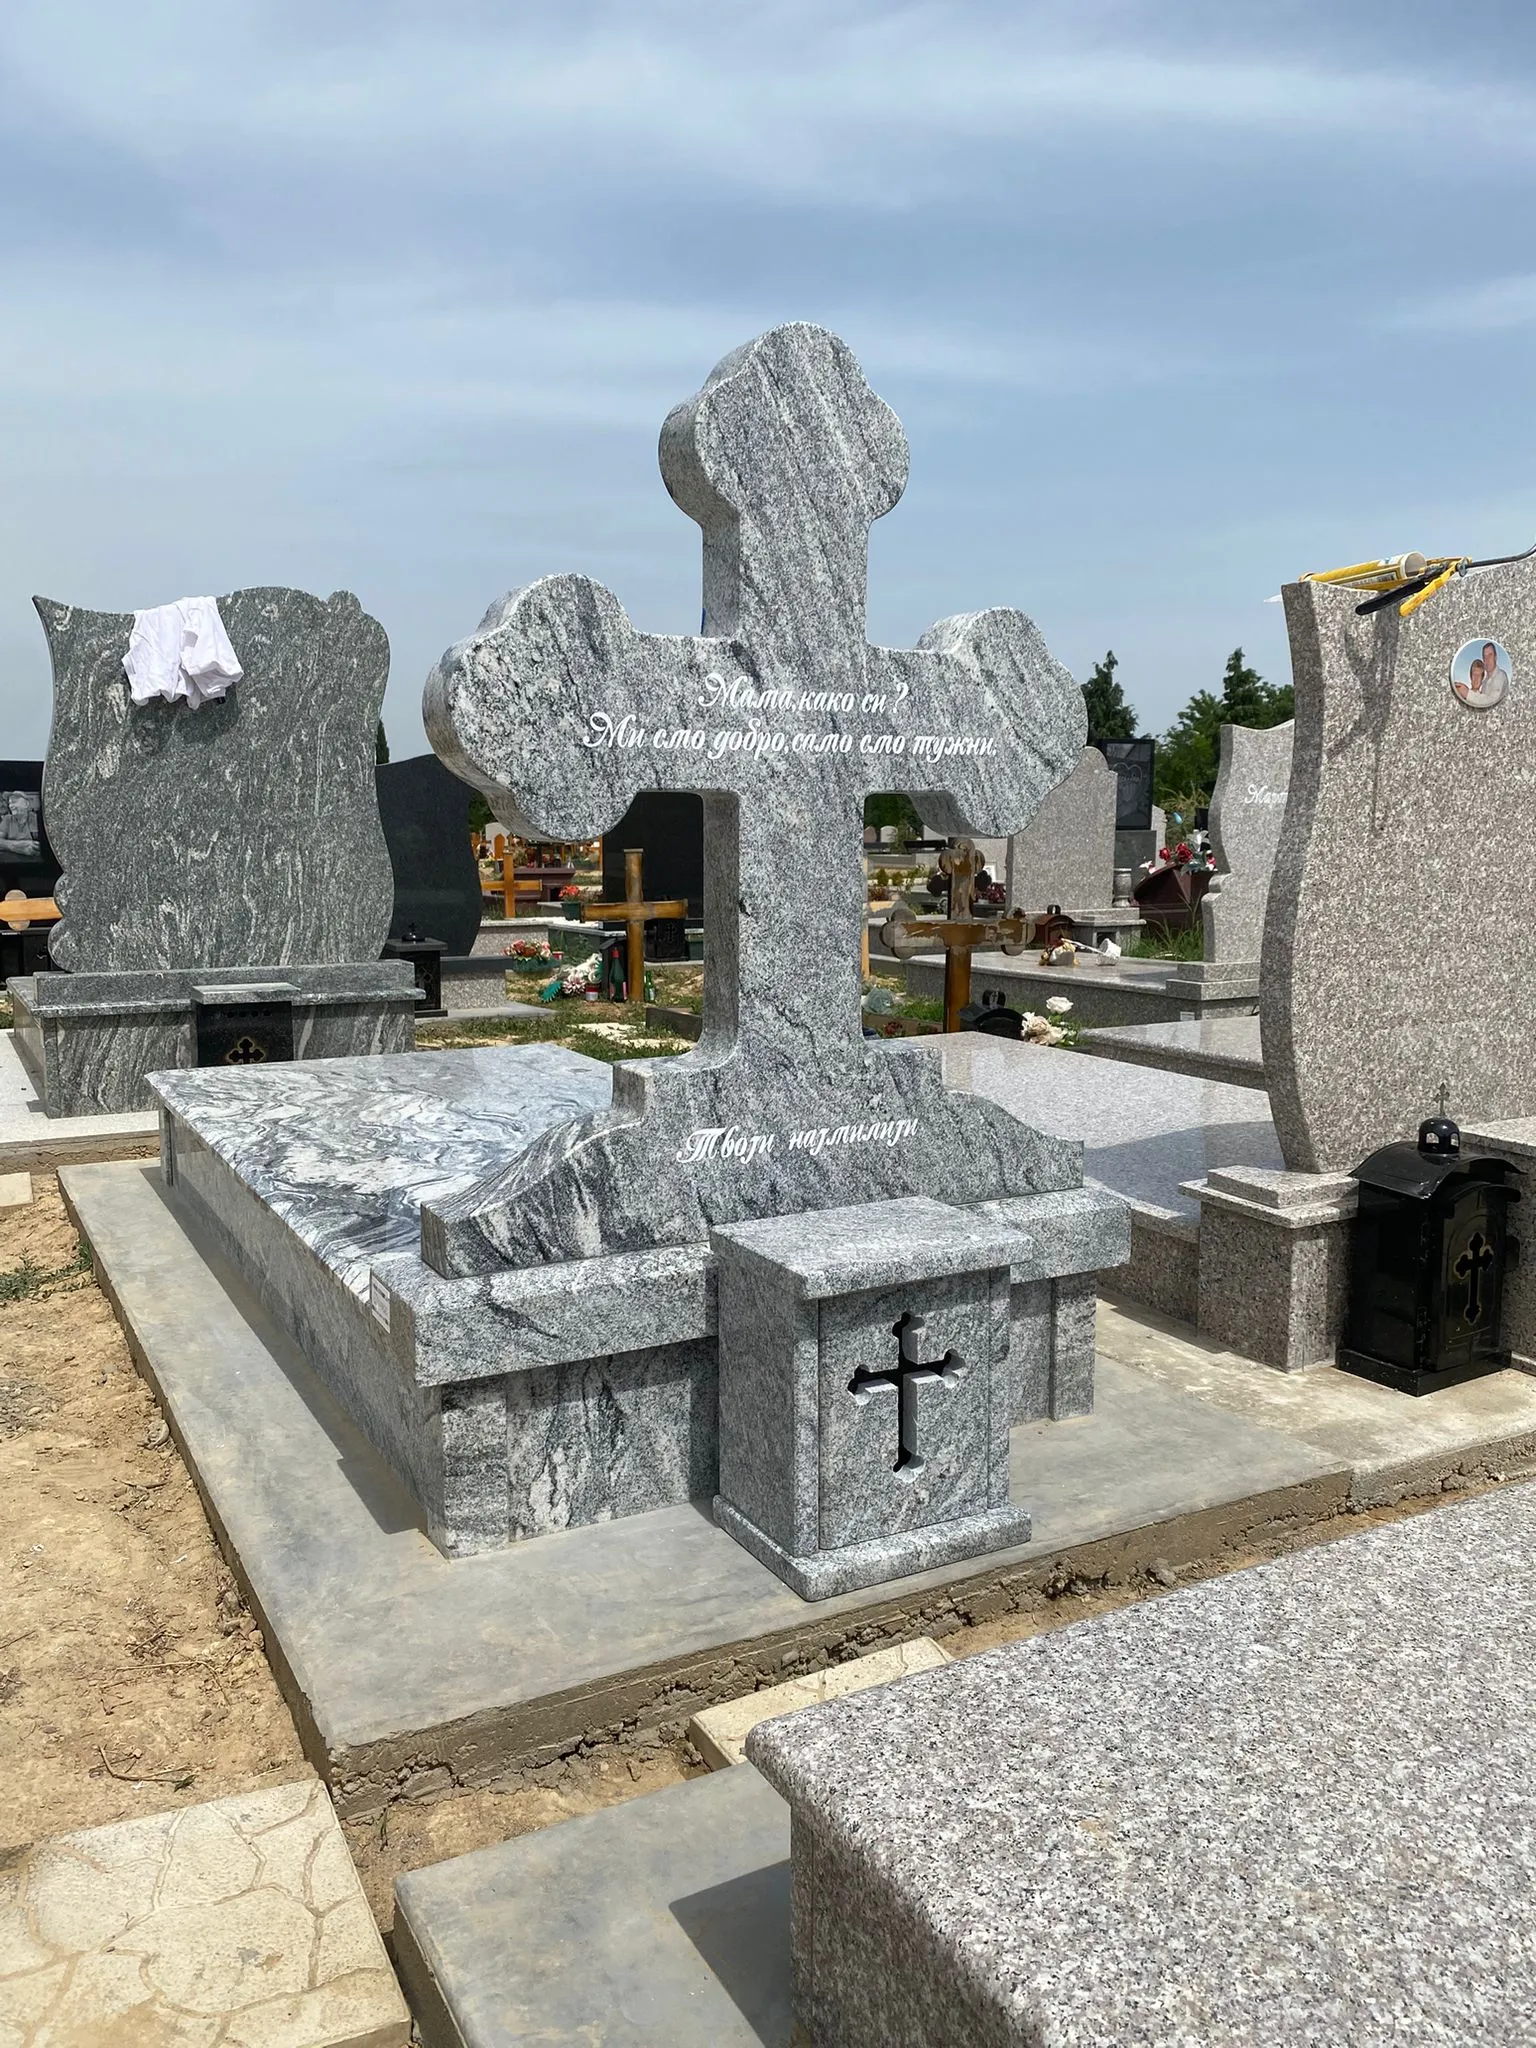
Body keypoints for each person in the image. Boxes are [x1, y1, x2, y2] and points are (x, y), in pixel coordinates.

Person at [0, 790, 40, 856]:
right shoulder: (7, 819)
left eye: (14, 802)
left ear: (26, 804)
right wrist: (16, 846)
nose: (11, 806)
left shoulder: (35, 818)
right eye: (10, 803)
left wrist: (6, 844)